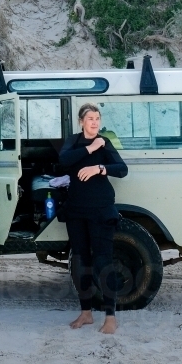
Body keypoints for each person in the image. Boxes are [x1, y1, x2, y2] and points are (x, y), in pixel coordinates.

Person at [59, 102, 128, 334]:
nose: (95, 122)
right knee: (80, 262)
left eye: (98, 118)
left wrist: (99, 167)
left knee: (102, 262)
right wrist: (90, 149)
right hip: (77, 211)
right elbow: (64, 161)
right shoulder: (74, 142)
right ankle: (86, 313)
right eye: (90, 118)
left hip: (100, 210)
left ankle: (110, 316)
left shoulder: (105, 142)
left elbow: (122, 168)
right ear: (81, 122)